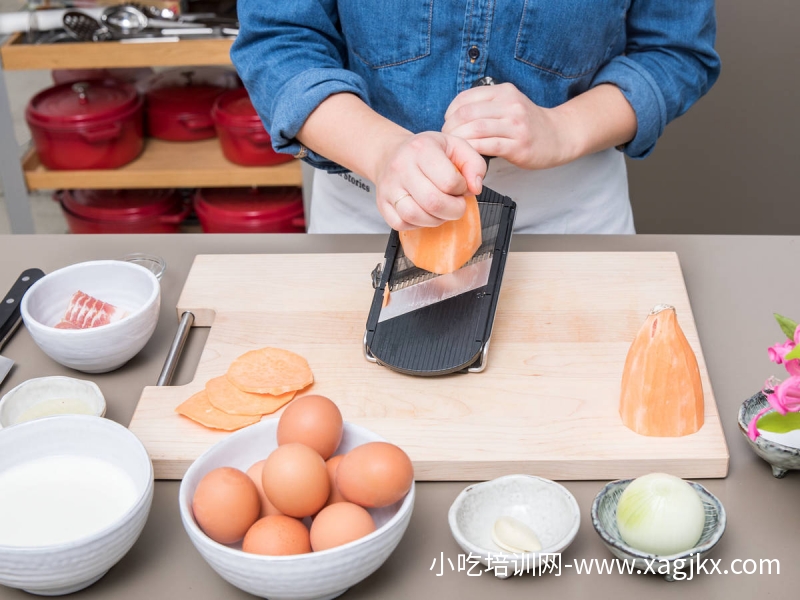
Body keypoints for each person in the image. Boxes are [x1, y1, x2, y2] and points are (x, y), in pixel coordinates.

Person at [231, 1, 720, 234]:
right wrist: (382, 152)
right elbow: (280, 40)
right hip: (370, 206)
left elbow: (673, 52)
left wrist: (564, 128)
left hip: (569, 215)